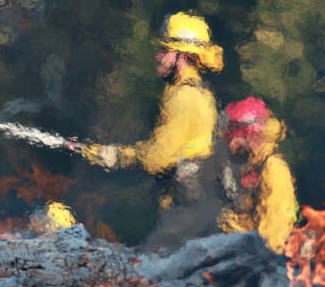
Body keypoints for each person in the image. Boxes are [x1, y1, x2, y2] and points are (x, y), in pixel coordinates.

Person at [69, 12, 224, 210]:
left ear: (183, 55)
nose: (157, 56)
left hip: (186, 209)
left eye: (164, 50)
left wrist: (114, 155)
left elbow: (157, 159)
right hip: (192, 204)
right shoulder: (198, 92)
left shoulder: (184, 97)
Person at [217, 97, 298, 253]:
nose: (229, 146)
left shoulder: (274, 169)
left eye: (232, 139)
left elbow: (275, 233)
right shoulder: (253, 166)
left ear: (250, 135)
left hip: (264, 263)